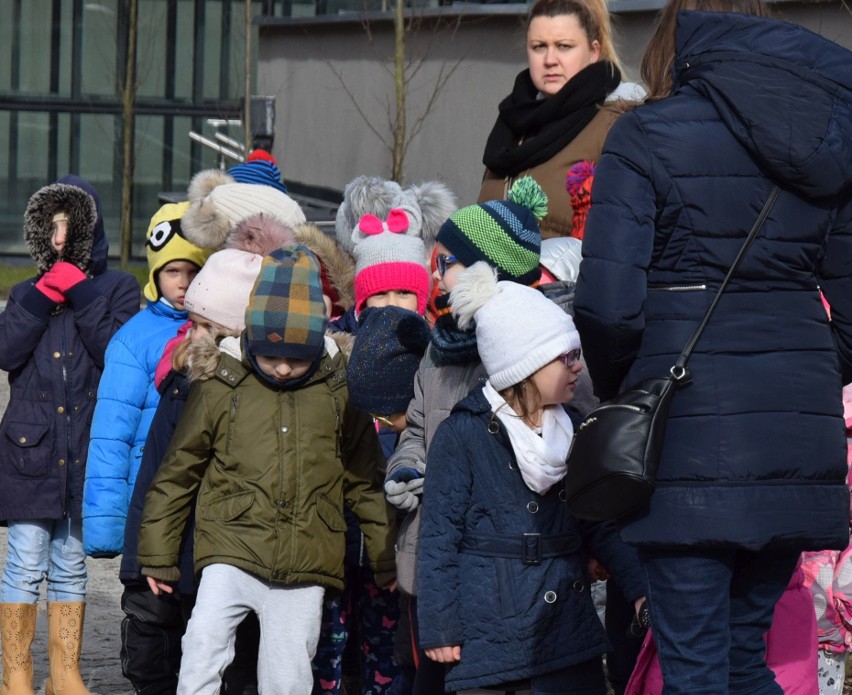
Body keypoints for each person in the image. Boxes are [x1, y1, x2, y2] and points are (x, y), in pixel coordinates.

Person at [573, 1, 852, 692]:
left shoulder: (643, 136)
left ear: (679, 42)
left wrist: (633, 395)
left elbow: (607, 307)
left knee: (695, 662)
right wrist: (802, 386)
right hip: (794, 440)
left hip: (683, 439)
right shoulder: (828, 142)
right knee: (744, 657)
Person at [136, 244, 398, 695]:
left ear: (318, 343)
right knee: (202, 645)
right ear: (251, 338)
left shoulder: (340, 390)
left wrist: (385, 556)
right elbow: (179, 471)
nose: (281, 368)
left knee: (288, 672)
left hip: (306, 558)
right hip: (229, 546)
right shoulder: (222, 383)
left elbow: (364, 478)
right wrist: (158, 555)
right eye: (270, 355)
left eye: (296, 358)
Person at [417, 261, 645, 693]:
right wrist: (440, 625)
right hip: (488, 633)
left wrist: (638, 589)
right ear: (526, 364)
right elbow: (439, 537)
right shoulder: (463, 433)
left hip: (565, 627)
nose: (578, 367)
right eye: (567, 356)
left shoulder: (576, 428)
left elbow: (599, 520)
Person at [385, 177, 564, 694]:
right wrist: (406, 465)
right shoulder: (439, 348)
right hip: (436, 549)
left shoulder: (534, 351)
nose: (435, 275)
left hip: (499, 560)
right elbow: (417, 427)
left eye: (447, 263)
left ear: (489, 269)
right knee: (429, 675)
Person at [118, 214, 295, 695]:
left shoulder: (268, 397)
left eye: (205, 325)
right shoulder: (182, 386)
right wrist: (142, 565)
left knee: (238, 672)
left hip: (237, 566)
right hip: (177, 564)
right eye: (192, 323)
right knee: (166, 666)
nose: (193, 336)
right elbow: (157, 479)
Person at [0, 176, 140, 694]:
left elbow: (115, 353)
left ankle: (65, 672)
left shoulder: (117, 288)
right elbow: (5, 352)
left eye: (71, 225)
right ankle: (16, 672)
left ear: (89, 228)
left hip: (85, 447)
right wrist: (39, 298)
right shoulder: (23, 292)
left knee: (69, 565)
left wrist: (81, 294)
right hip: (29, 451)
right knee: (24, 561)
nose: (61, 238)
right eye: (51, 226)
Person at [312, 212, 434, 695]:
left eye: (403, 294)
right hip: (333, 535)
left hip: (394, 540)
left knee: (388, 654)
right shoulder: (333, 351)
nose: (391, 305)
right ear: (360, 299)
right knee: (327, 650)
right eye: (379, 295)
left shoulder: (430, 355)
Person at [82, 202, 211, 558]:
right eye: (172, 270)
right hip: (150, 490)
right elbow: (112, 433)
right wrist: (105, 524)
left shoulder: (220, 331)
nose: (183, 282)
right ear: (155, 274)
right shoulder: (133, 339)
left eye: (192, 270)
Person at [478, 0, 642, 239]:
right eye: (539, 46)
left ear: (594, 51)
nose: (550, 60)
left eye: (564, 46)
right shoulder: (514, 119)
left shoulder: (617, 124)